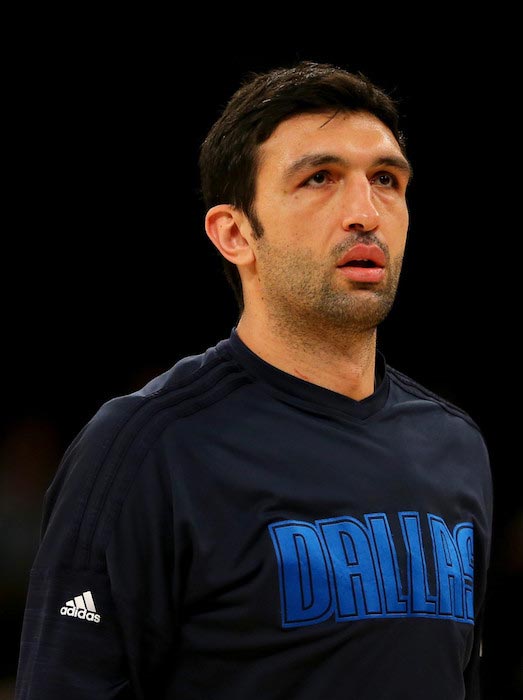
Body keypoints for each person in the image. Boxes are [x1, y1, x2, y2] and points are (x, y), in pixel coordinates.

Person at [15, 60, 493, 699]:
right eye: (320, 178)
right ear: (235, 233)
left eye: (386, 180)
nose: (365, 211)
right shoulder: (145, 447)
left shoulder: (456, 446)